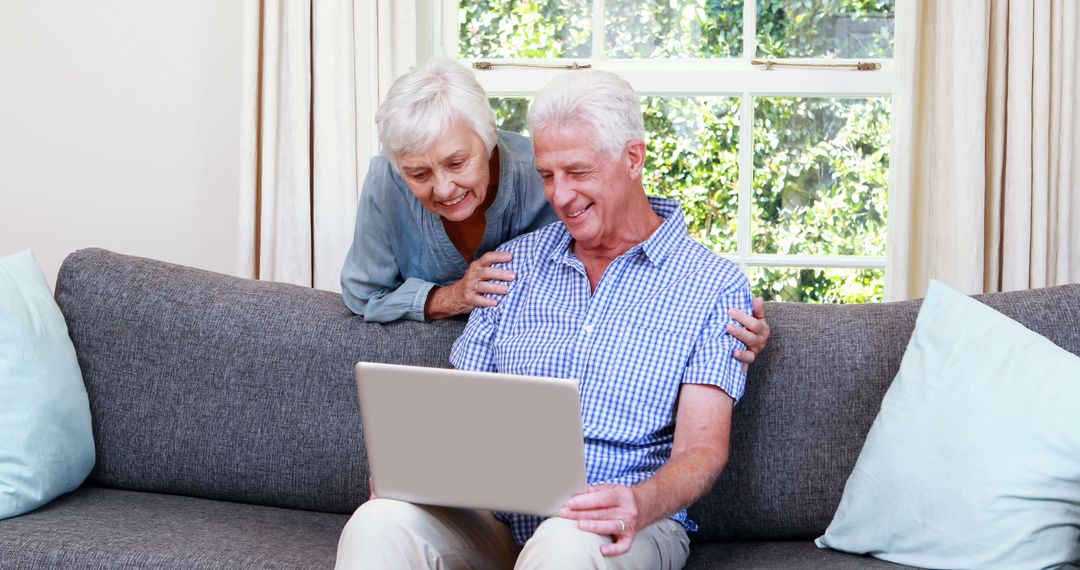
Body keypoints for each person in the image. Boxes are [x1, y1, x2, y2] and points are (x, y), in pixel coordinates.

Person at [336, 69, 756, 570]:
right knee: (378, 521)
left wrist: (641, 502)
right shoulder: (510, 268)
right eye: (547, 176)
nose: (558, 196)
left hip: (622, 525)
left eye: (578, 173)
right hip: (495, 522)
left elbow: (702, 451)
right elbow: (459, 417)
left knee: (564, 545)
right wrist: (417, 470)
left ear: (633, 159)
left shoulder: (714, 286)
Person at [338, 58, 770, 366]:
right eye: (419, 173)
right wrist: (451, 298)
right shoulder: (388, 179)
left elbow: (628, 238)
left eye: (456, 163)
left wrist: (714, 322)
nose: (444, 188)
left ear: (488, 137)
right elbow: (363, 294)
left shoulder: (545, 172)